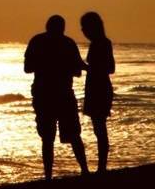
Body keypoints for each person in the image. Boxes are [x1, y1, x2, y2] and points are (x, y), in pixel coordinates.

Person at [24, 15, 89, 180]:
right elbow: (77, 71)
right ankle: (85, 170)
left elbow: (27, 68)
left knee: (48, 138)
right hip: (63, 94)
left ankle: (48, 177)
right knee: (73, 135)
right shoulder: (68, 43)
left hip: (44, 95)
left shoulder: (37, 41)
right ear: (62, 28)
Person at [81, 11, 115, 173]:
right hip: (96, 87)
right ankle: (102, 166)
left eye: (84, 27)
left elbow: (110, 68)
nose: (83, 31)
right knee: (98, 127)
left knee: (100, 128)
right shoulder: (100, 42)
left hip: (99, 88)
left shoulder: (101, 43)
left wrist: (87, 67)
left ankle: (102, 167)